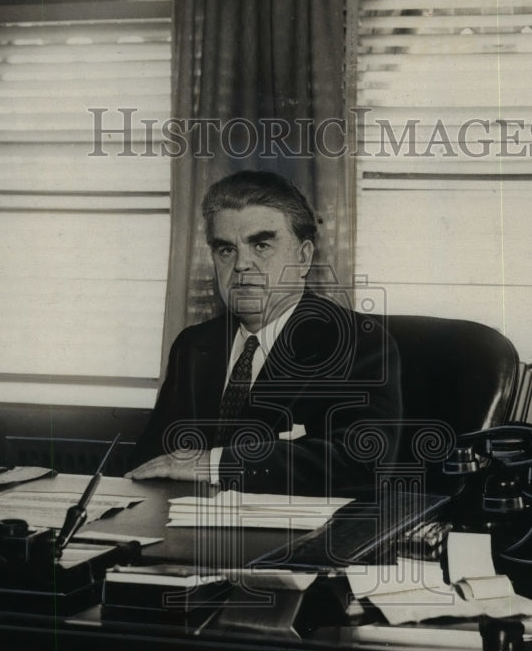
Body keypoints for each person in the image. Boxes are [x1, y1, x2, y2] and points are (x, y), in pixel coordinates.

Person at [127, 170, 402, 497]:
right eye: (226, 250)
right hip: (183, 538)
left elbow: (363, 461)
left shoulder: (357, 342)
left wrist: (216, 464)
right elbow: (152, 462)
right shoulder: (194, 345)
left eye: (261, 245)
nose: (241, 264)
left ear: (303, 257)